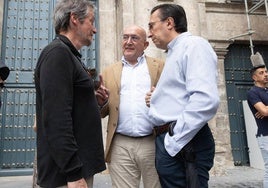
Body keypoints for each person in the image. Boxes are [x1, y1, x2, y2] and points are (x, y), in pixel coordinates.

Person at [34, 0, 108, 187]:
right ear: (74, 19)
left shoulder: (69, 54)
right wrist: (73, 173)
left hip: (78, 169)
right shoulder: (58, 54)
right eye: (91, 21)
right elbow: (56, 119)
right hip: (66, 176)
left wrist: (92, 101)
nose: (95, 29)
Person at [145, 4, 220, 188]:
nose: (149, 33)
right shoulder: (175, 51)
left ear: (169, 23)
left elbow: (205, 100)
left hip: (185, 142)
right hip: (176, 141)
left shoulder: (193, 45)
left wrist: (174, 139)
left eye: (152, 25)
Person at [99, 25, 164, 188]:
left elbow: (173, 101)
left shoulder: (160, 67)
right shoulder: (108, 72)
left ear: (145, 45)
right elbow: (103, 112)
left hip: (153, 142)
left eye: (134, 38)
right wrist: (101, 103)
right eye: (125, 37)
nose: (128, 42)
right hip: (120, 144)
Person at [247, 64, 268, 188]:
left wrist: (265, 108)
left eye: (266, 72)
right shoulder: (252, 93)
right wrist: (264, 110)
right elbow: (264, 112)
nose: (265, 74)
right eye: (261, 73)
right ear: (254, 77)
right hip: (265, 135)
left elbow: (265, 111)